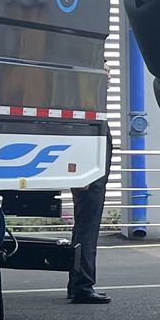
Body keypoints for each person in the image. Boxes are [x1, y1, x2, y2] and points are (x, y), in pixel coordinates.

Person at [67, 109, 113, 304]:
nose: (110, 77)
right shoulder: (88, 105)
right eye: (107, 75)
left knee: (84, 228)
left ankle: (78, 283)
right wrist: (82, 172)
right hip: (90, 179)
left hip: (92, 177)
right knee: (87, 228)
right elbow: (81, 139)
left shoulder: (93, 106)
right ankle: (82, 286)